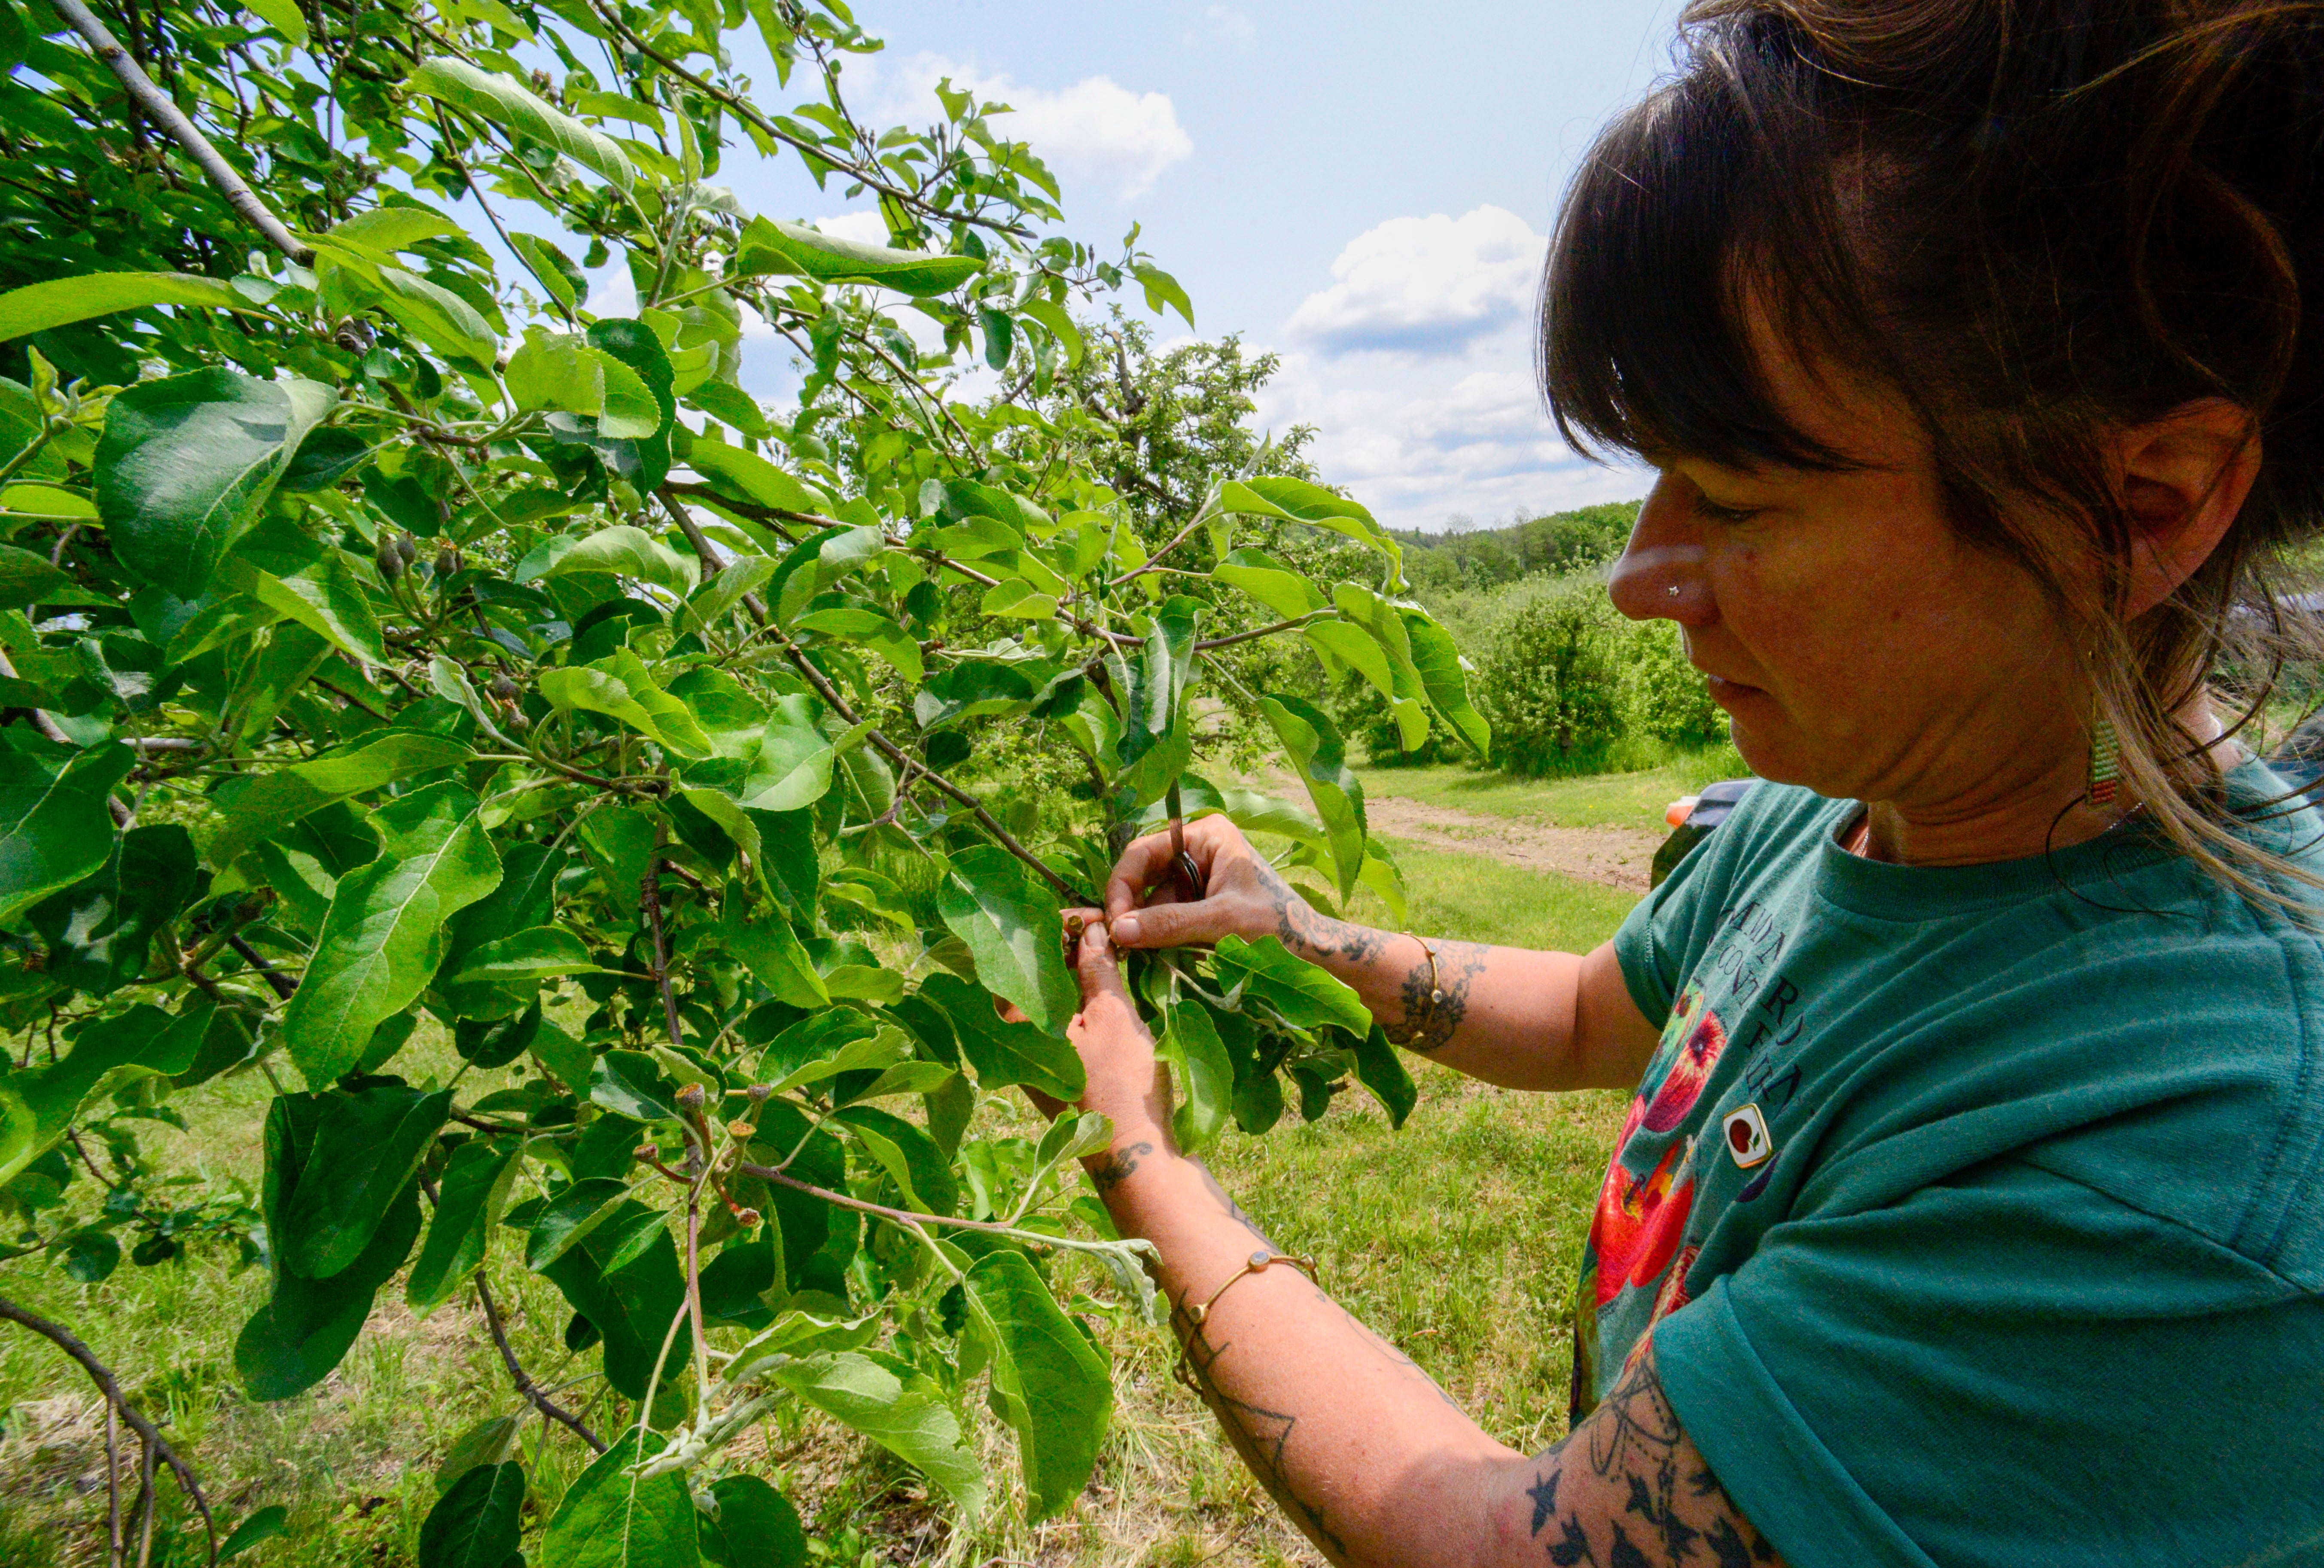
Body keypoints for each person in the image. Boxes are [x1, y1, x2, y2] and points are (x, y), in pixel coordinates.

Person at [1045, 3, 2324, 1565]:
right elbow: (1601, 1008)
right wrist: (1300, 930)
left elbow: (1509, 1547)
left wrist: (1146, 1167)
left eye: (1732, 493)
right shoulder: (1847, 789)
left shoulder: (2172, 1149)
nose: (1640, 578)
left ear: (2144, 502)